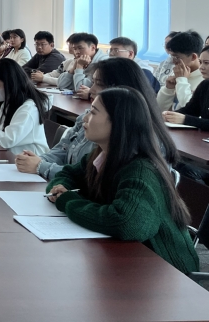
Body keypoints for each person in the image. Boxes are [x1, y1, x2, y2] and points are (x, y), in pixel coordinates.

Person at [46, 87, 198, 275]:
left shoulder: (141, 171)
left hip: (166, 270)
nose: (85, 118)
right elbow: (68, 174)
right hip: (128, 260)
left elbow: (127, 223)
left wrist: (68, 201)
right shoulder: (102, 155)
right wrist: (60, 188)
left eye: (93, 112)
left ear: (118, 122)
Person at [17, 57, 179, 180]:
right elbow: (63, 150)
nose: (91, 89)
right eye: (92, 82)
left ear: (121, 88)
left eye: (98, 84)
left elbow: (94, 179)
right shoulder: (88, 117)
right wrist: (36, 161)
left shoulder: (140, 136)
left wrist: (42, 167)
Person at [0, 58, 49, 154]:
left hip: (28, 159)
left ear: (10, 84)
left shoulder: (28, 108)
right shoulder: (4, 101)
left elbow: (8, 139)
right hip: (7, 154)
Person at [163, 45, 209, 131]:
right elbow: (190, 110)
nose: (201, 67)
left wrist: (185, 119)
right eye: (200, 62)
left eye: (206, 63)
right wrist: (168, 115)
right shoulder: (205, 85)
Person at [156, 30, 205, 111]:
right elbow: (159, 109)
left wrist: (182, 80)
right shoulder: (177, 72)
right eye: (172, 56)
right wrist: (168, 89)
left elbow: (189, 109)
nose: (173, 61)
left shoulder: (204, 79)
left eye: (177, 57)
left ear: (193, 57)